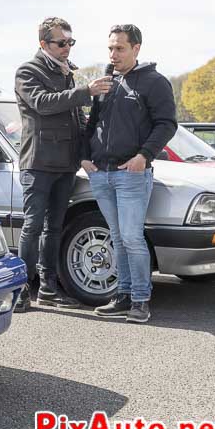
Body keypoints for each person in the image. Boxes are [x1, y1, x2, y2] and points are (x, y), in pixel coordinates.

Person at [13, 17, 113, 312]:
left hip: (65, 164)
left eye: (70, 42)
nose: (67, 47)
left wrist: (88, 149)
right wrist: (85, 92)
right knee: (32, 227)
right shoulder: (27, 71)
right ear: (44, 44)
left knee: (54, 228)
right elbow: (43, 103)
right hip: (39, 163)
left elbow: (75, 118)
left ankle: (48, 289)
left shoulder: (67, 72)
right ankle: (20, 290)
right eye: (61, 43)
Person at [82, 24, 177, 323]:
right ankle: (122, 296)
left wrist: (143, 156)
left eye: (119, 48)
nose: (113, 54)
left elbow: (166, 124)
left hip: (132, 174)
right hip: (101, 174)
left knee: (132, 238)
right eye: (110, 48)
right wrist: (84, 156)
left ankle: (140, 300)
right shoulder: (105, 81)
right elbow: (92, 122)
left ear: (136, 48)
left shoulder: (154, 82)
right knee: (117, 238)